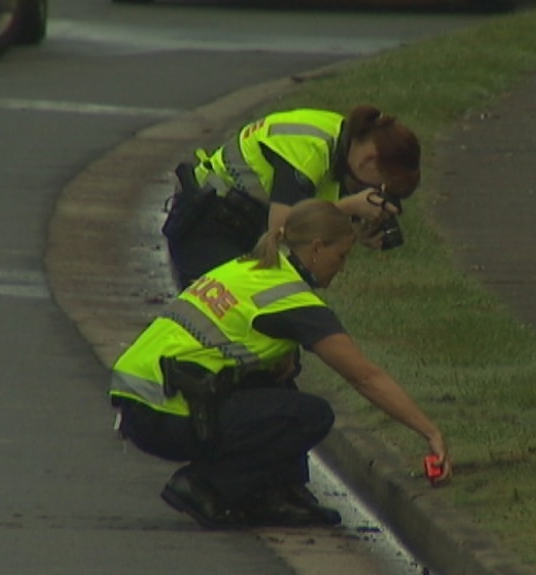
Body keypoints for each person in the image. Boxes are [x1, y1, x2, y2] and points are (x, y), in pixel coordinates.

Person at [110, 198, 451, 530]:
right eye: (341, 255)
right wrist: (430, 432)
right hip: (168, 414)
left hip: (140, 401)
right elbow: (364, 376)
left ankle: (275, 494)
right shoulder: (291, 300)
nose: (342, 266)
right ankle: (206, 486)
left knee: (280, 379)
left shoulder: (250, 266)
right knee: (310, 415)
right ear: (316, 247)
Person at [162, 104, 422, 290]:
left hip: (238, 224)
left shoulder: (340, 142)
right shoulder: (312, 148)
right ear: (370, 161)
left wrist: (356, 232)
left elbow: (312, 220)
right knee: (239, 312)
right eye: (381, 187)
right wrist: (348, 206)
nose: (371, 193)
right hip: (207, 227)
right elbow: (284, 229)